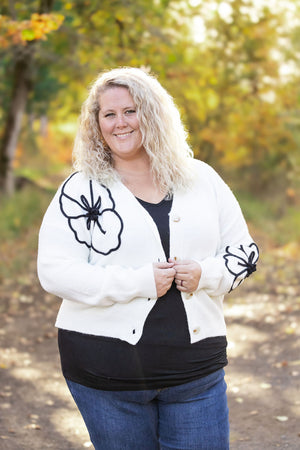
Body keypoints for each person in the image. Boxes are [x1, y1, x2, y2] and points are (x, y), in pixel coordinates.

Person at [37, 67, 259, 450]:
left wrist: (206, 273)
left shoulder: (201, 179)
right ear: (97, 124)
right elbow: (54, 271)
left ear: (154, 114)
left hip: (195, 374)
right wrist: (139, 283)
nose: (119, 123)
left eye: (131, 110)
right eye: (108, 114)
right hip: (105, 375)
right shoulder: (81, 189)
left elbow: (244, 252)